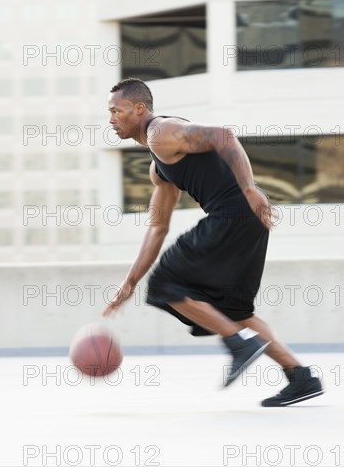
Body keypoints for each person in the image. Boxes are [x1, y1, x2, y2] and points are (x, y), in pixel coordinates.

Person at [102, 78, 323, 407]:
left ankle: (239, 342)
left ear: (139, 109)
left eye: (116, 111)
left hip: (235, 212)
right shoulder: (158, 167)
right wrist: (130, 281)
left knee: (166, 283)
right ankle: (300, 377)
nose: (110, 119)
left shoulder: (161, 133)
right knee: (233, 309)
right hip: (245, 219)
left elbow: (223, 135)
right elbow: (157, 226)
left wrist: (249, 188)